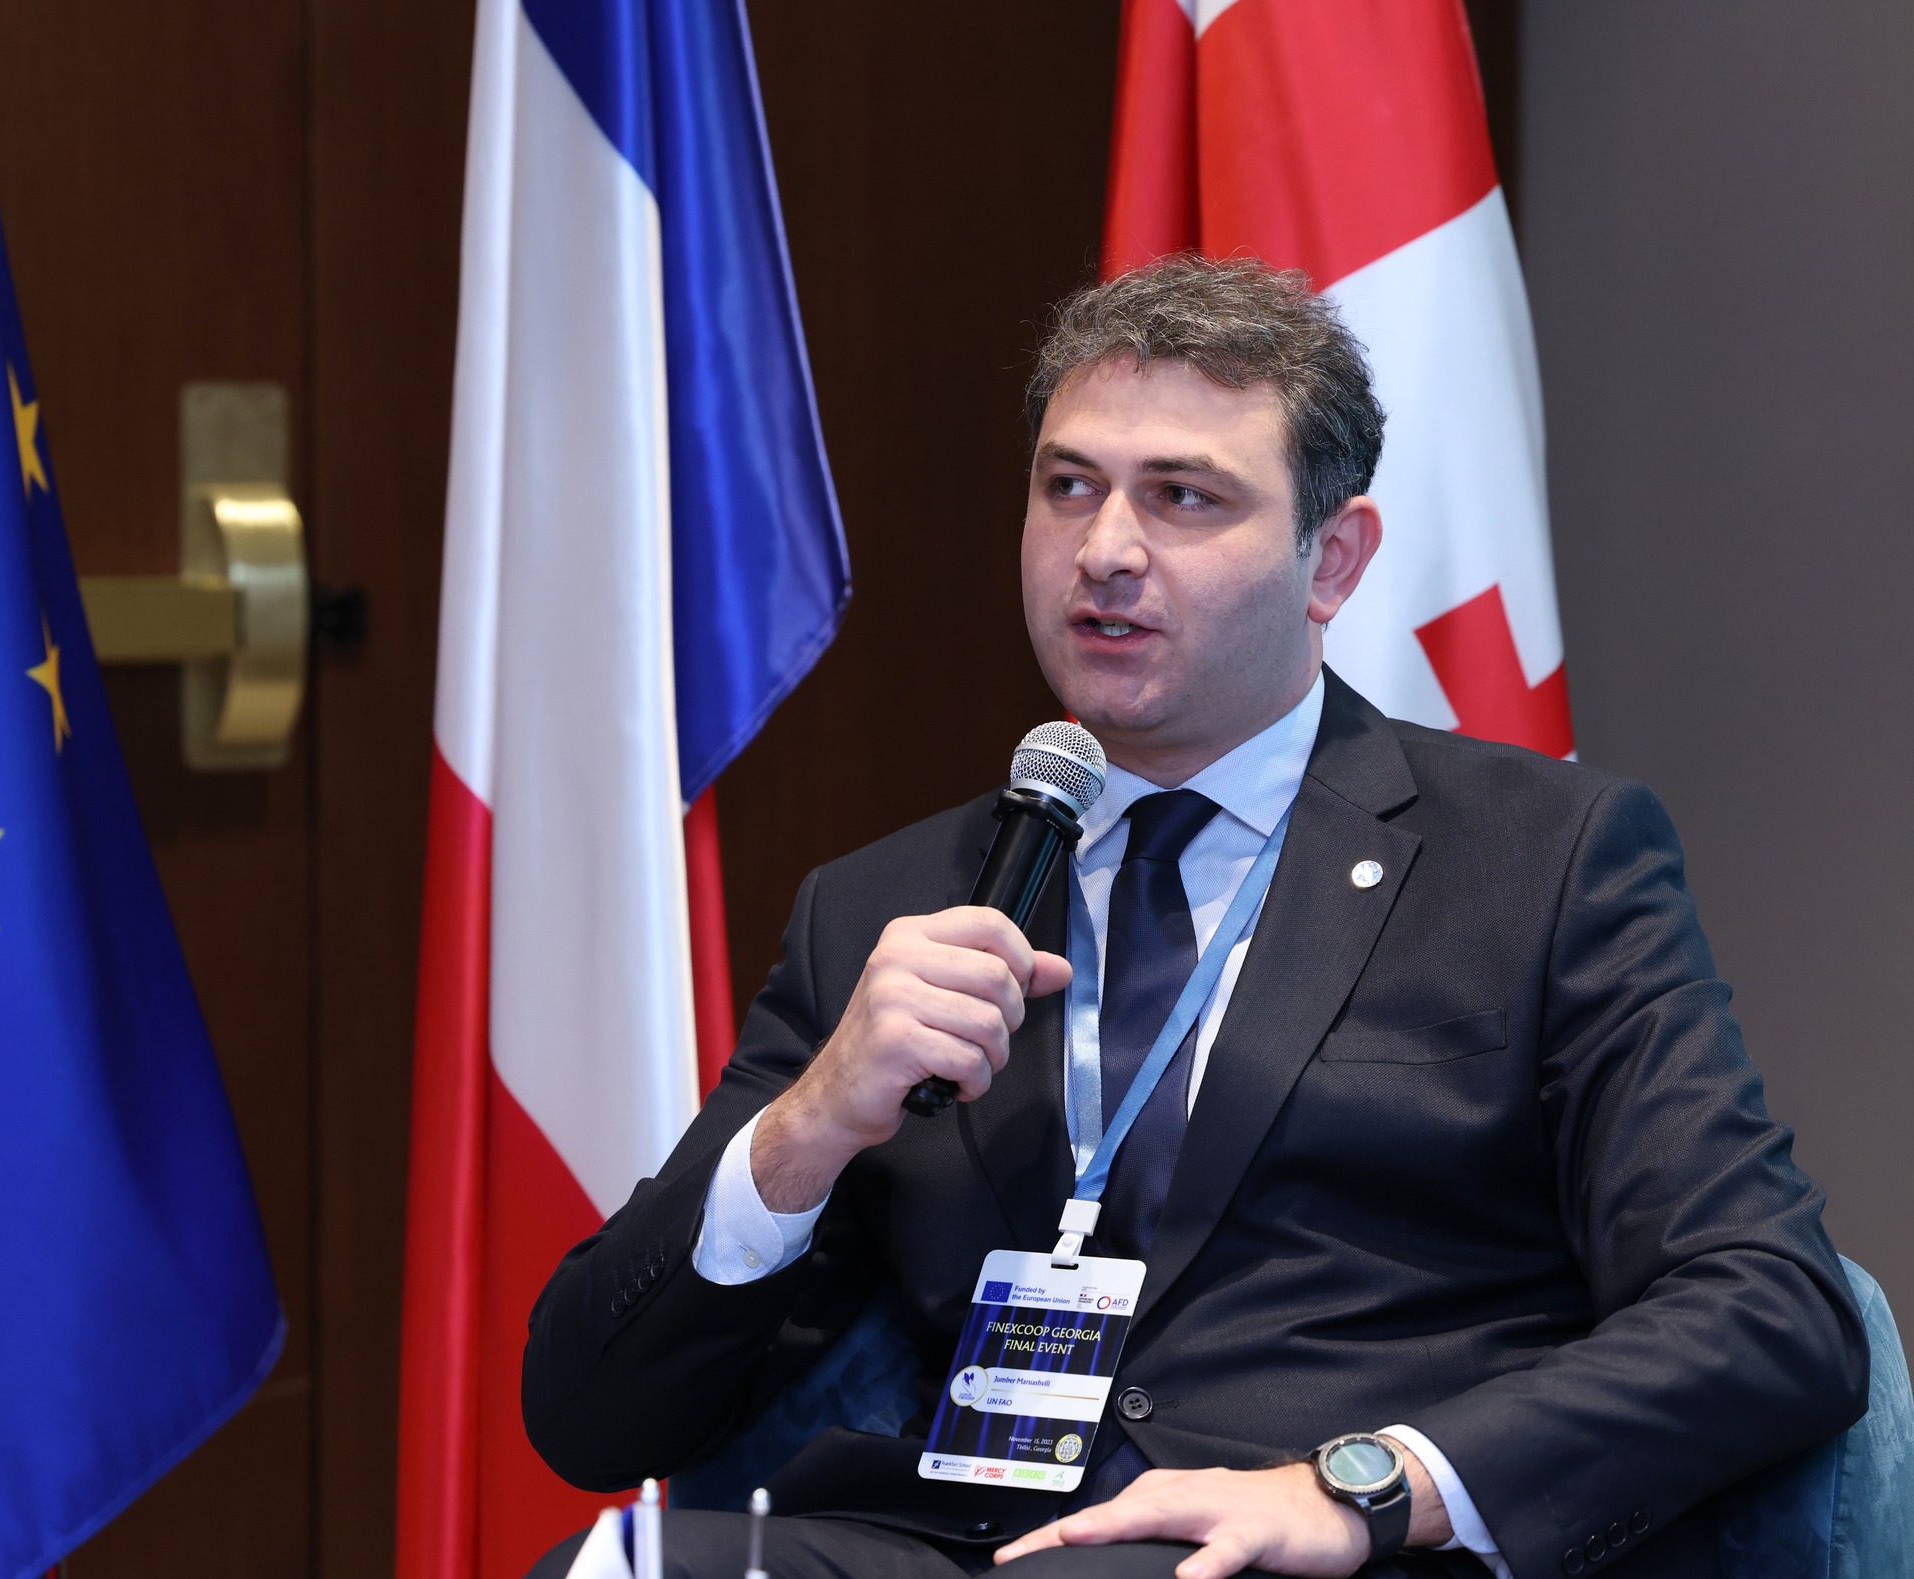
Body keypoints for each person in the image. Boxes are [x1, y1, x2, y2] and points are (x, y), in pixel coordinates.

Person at [521, 257, 1868, 1579]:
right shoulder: (889, 907)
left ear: (1333, 559)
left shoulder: (1538, 861)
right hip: (974, 1543)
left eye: (1183, 497)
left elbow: (1771, 1306)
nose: (1105, 550)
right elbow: (590, 1419)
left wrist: (1366, 1490)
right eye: (1069, 487)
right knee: (610, 1568)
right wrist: (812, 1122)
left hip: (1329, 1552)